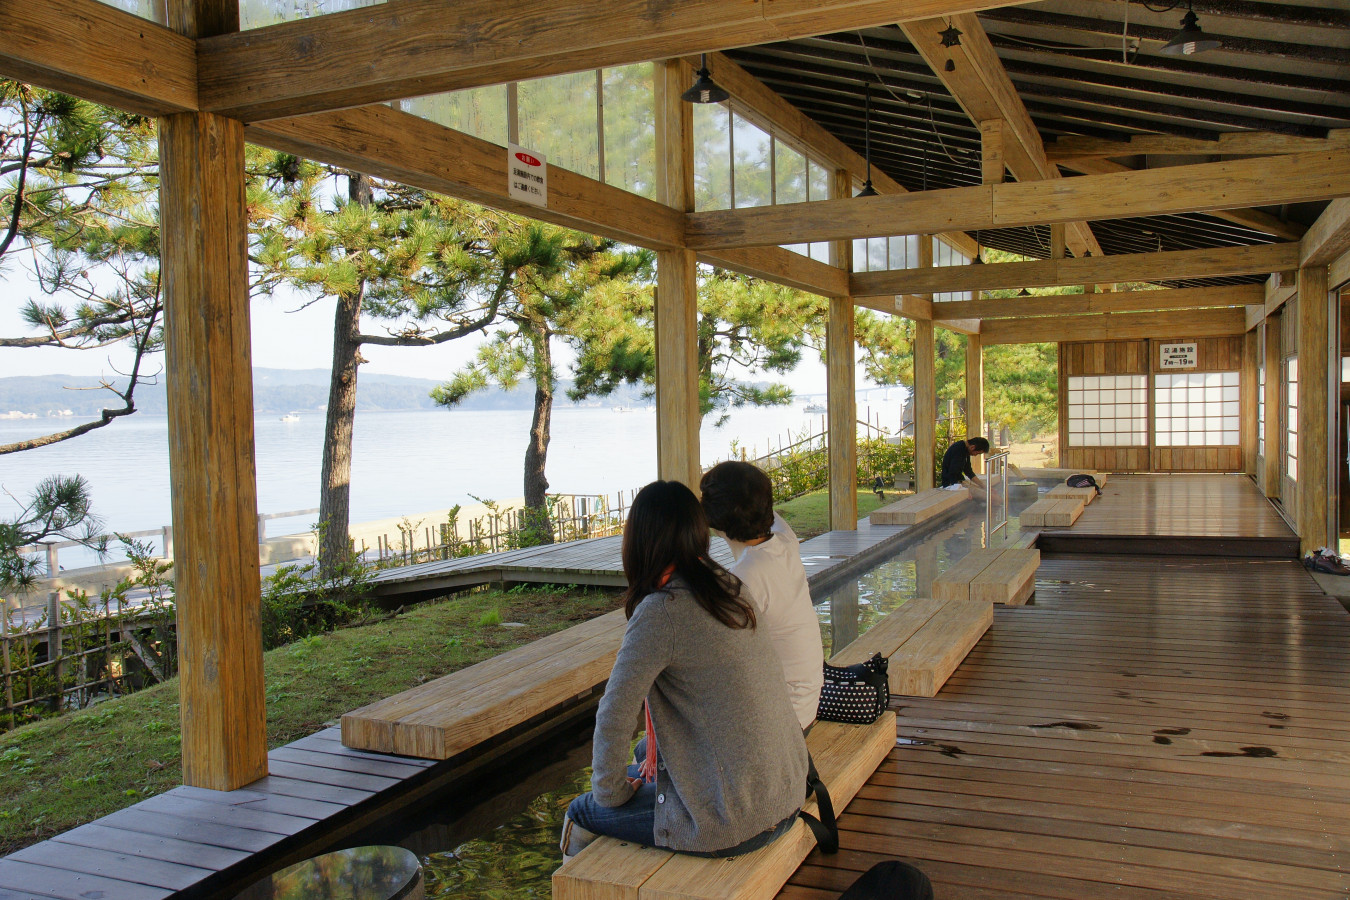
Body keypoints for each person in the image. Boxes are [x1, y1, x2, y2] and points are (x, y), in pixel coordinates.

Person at [560, 480, 808, 861]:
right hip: (787, 791)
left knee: (582, 811)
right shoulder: (730, 586)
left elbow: (614, 715)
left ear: (639, 541)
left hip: (735, 821)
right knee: (643, 757)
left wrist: (611, 794)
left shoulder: (662, 612)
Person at [699, 460, 823, 731]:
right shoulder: (784, 540)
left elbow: (713, 661)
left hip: (782, 722)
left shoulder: (746, 578)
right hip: (805, 705)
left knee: (649, 748)